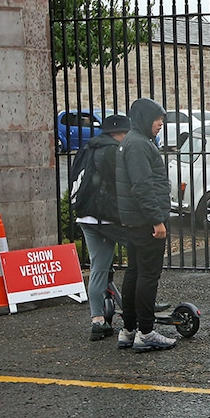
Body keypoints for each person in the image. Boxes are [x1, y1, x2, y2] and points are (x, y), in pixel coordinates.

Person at [115, 97, 176, 351]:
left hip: (133, 221)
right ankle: (146, 332)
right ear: (144, 119)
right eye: (157, 119)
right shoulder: (139, 145)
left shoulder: (131, 142)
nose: (160, 123)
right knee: (147, 275)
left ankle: (129, 330)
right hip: (145, 222)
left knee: (135, 273)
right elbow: (142, 186)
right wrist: (157, 220)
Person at [75, 115, 132, 341]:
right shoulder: (113, 151)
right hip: (107, 217)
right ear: (120, 133)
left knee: (99, 267)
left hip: (86, 217)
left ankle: (97, 320)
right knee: (143, 252)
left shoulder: (87, 148)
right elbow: (121, 186)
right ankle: (142, 305)